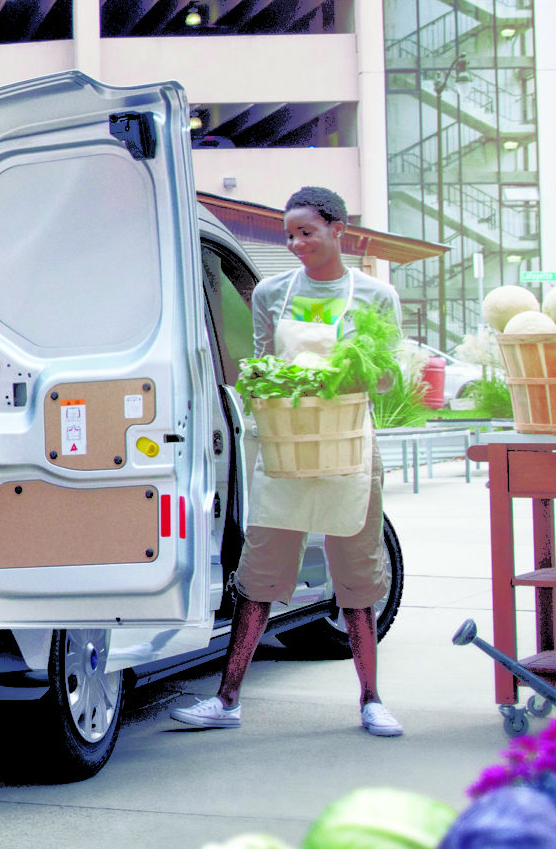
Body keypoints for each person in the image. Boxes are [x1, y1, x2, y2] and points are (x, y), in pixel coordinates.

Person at [172, 186, 405, 739]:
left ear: (337, 228)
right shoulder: (272, 293)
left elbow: (389, 378)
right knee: (259, 574)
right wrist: (265, 381)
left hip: (347, 448)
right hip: (283, 448)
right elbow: (260, 363)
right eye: (290, 235)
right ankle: (226, 699)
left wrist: (346, 378)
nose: (297, 243)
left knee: (357, 576)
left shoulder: (374, 297)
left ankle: (372, 699)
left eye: (307, 232)